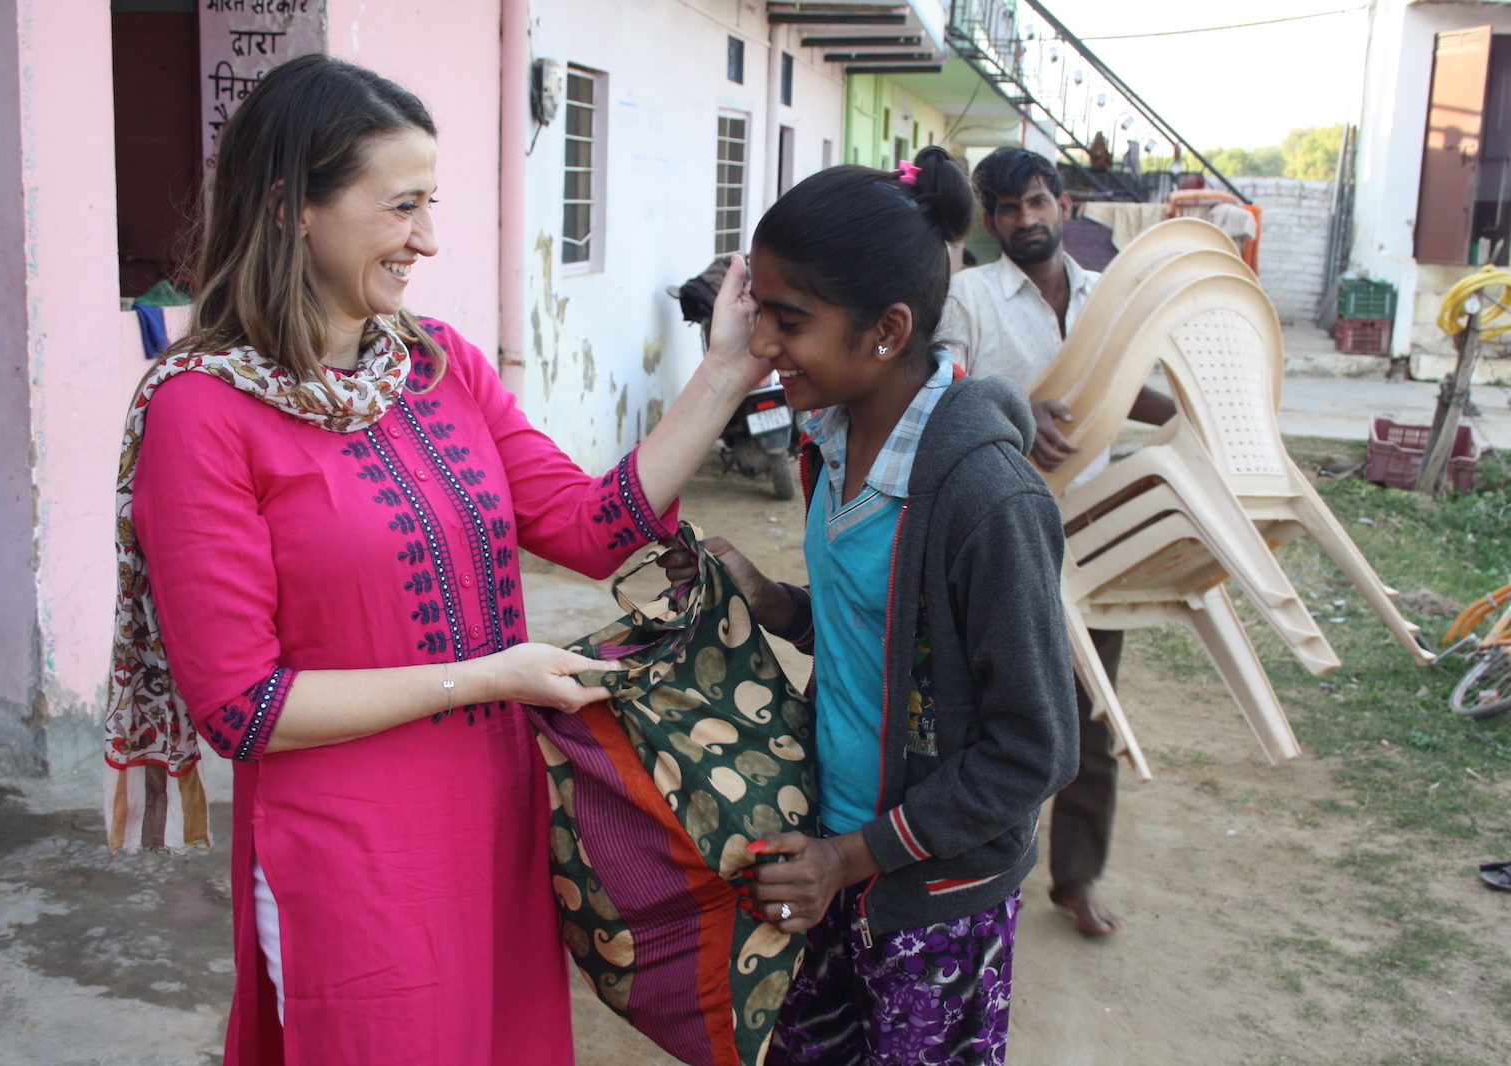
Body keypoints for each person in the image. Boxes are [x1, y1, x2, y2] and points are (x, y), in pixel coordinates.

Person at [101, 54, 768, 1065]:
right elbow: (242, 707)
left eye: (433, 202)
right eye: (401, 205)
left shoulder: (435, 361)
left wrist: (724, 372)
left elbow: (589, 526)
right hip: (352, 849)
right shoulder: (201, 409)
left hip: (493, 816)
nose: (429, 237)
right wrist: (491, 674)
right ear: (292, 209)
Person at [662, 146, 1079, 1065]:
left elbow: (1035, 747)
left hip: (931, 892)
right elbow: (890, 635)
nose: (763, 345)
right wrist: (777, 604)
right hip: (832, 846)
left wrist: (854, 859)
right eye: (758, 312)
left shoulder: (988, 501)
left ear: (886, 332)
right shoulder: (833, 439)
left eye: (789, 321)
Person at [934, 146, 1178, 937]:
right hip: (995, 530)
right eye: (1006, 209)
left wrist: (1186, 412)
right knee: (977, 709)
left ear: (1064, 206)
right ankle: (963, 867)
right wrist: (1014, 407)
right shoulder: (969, 295)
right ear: (989, 218)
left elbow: (1127, 386)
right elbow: (934, 381)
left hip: (1092, 532)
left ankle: (1075, 878)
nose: (1024, 220)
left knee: (1089, 712)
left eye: (1036, 202)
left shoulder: (1110, 297)